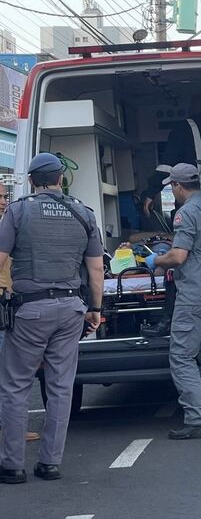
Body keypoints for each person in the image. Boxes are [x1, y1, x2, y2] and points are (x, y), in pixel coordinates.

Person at [0, 153, 104, 484]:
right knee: (61, 386)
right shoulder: (83, 212)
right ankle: (50, 463)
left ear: (31, 180)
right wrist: (96, 309)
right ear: (62, 178)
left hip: (29, 310)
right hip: (71, 309)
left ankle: (12, 466)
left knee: (16, 385)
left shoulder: (17, 211)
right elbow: (96, 269)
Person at [145, 163, 201, 439]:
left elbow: (178, 257)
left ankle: (196, 417)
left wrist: (155, 260)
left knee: (181, 356)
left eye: (172, 186)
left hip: (194, 295)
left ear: (178, 186)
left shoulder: (186, 214)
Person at [0, 193, 40, 445]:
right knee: (9, 371)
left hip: (9, 300)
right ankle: (10, 429)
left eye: (4, 196)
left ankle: (11, 426)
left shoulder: (7, 224)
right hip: (2, 301)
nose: (3, 201)